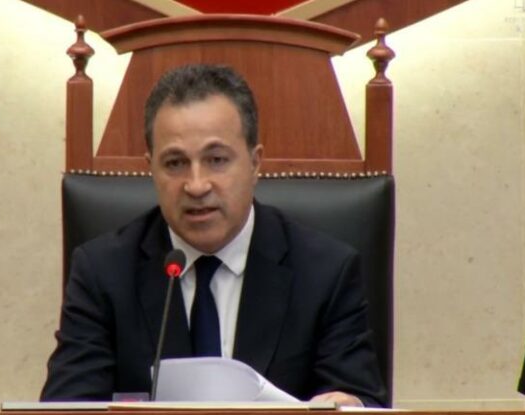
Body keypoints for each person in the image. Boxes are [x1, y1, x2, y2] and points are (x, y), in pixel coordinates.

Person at [41, 64, 387, 407]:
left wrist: (349, 405)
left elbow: (361, 400)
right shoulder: (103, 272)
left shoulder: (326, 273)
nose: (196, 185)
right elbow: (66, 407)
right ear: (151, 169)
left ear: (255, 163)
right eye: (175, 163)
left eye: (217, 159)